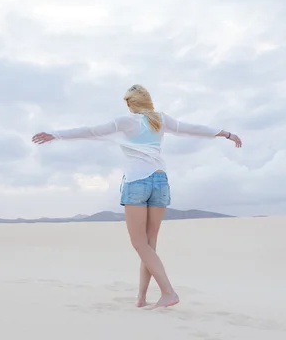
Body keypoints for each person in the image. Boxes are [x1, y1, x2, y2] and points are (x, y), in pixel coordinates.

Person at [32, 84, 242, 308]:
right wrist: (226, 134)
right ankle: (141, 298)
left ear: (132, 103)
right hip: (160, 181)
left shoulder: (126, 121)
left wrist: (56, 135)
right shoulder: (160, 119)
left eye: (128, 102)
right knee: (149, 245)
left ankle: (168, 292)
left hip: (137, 182)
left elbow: (91, 131)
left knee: (139, 243)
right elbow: (190, 128)